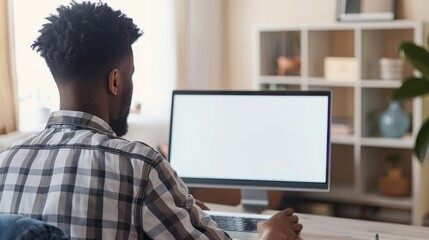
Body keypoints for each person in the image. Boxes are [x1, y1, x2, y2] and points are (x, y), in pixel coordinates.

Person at [0, 1, 302, 239]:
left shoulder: (4, 161)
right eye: (131, 76)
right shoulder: (140, 166)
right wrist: (272, 234)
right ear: (115, 81)